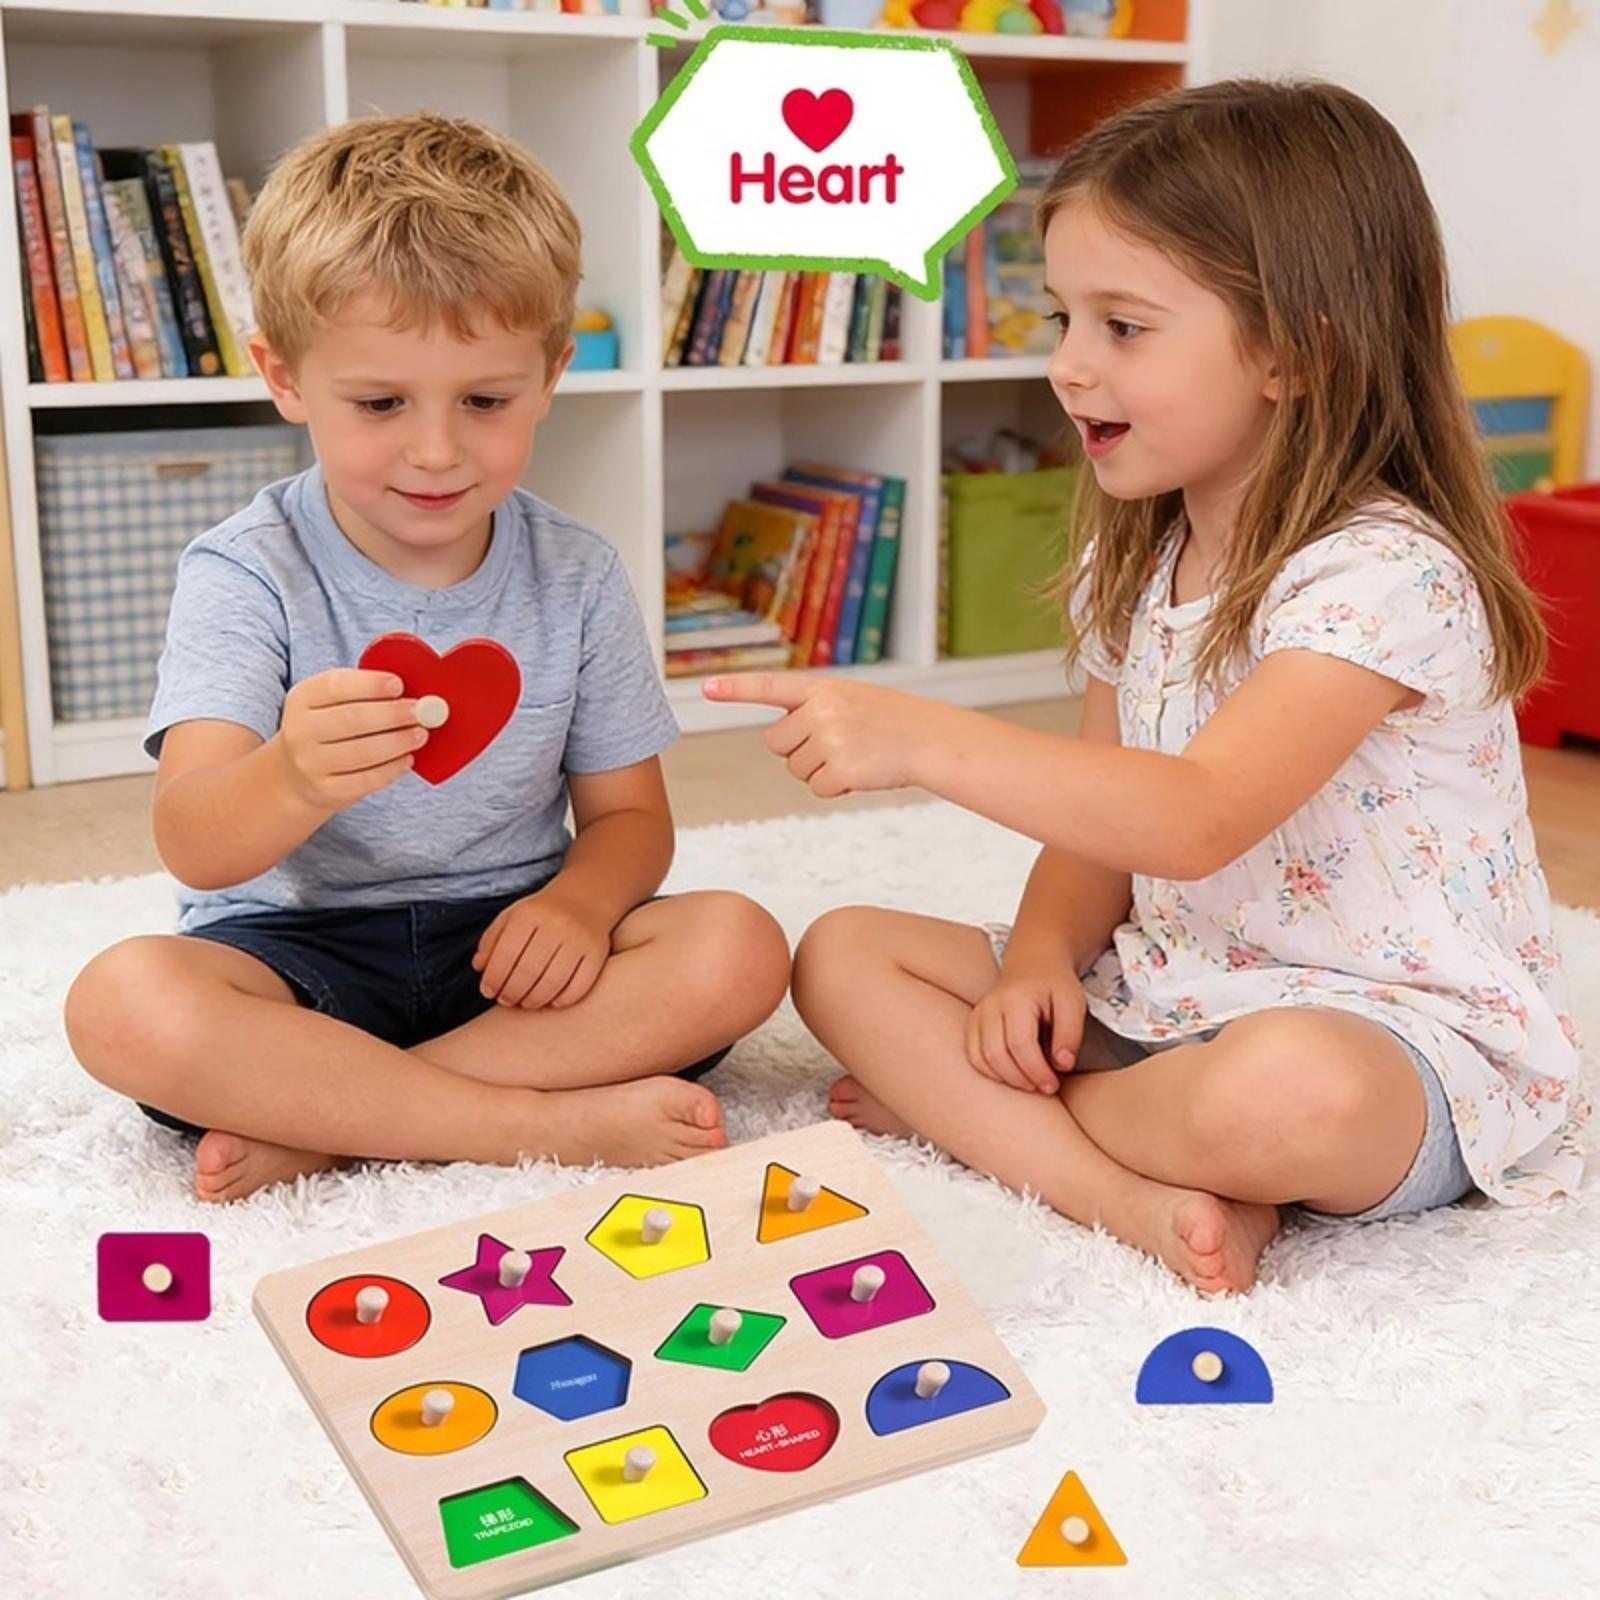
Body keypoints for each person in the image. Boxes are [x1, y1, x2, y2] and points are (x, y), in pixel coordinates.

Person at [705, 80, 1586, 1294]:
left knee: (1283, 1098)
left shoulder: (1385, 574)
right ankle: (1122, 1192)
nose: (1067, 367)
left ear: (1295, 353)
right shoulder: (1141, 561)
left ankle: (998, 1120)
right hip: (1171, 983)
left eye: (1122, 327)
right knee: (844, 955)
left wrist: (924, 740)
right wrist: (1037, 961)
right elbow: (1100, 823)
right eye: (1062, 318)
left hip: (1392, 1035)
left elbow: (1192, 814)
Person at [67, 114, 789, 1204]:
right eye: (380, 403)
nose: (438, 450)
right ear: (283, 377)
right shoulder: (245, 570)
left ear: (550, 375)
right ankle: (518, 1123)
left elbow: (632, 820)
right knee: (123, 1003)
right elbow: (195, 843)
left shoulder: (578, 572)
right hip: (293, 956)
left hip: (514, 959)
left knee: (738, 945)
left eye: (486, 401)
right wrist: (290, 776)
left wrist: (580, 908)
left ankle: (342, 1118)